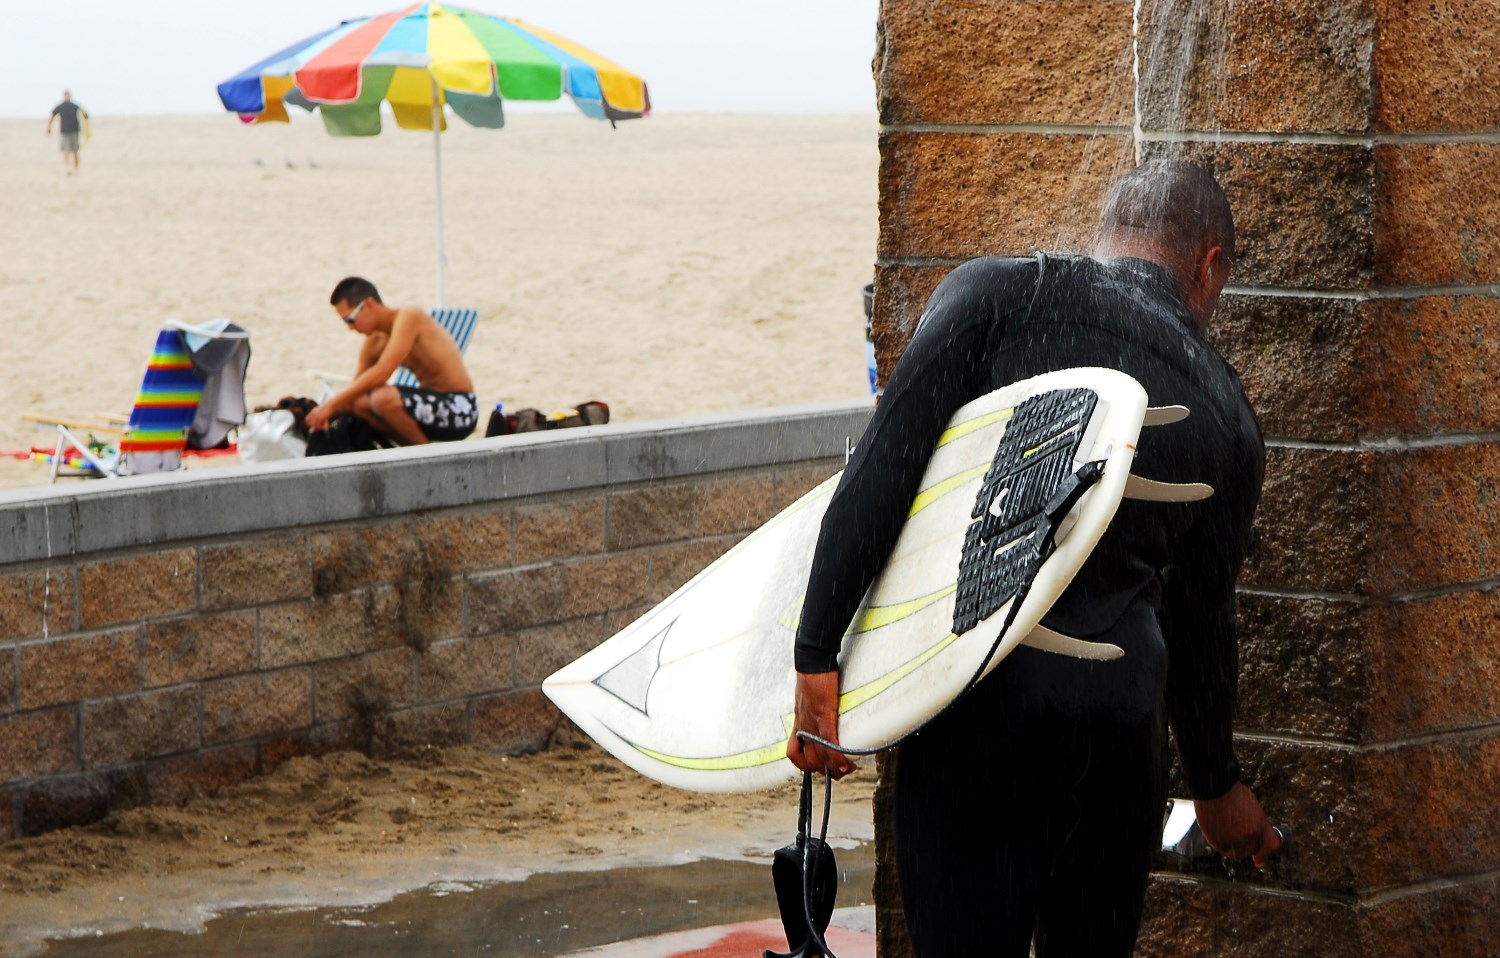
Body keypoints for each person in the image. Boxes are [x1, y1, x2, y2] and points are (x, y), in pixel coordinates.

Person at [785, 159, 1281, 956]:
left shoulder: (996, 295)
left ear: (1107, 233)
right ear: (1209, 265)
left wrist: (817, 653)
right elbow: (1201, 627)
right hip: (1119, 726)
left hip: (981, 704)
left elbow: (883, 472)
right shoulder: (1227, 414)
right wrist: (1218, 785)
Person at [305, 277, 478, 445]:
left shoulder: (410, 316)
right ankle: (408, 452)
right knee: (357, 403)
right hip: (427, 409)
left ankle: (429, 457)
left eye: (350, 319)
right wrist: (324, 414)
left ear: (369, 305)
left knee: (382, 399)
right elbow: (355, 390)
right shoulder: (374, 343)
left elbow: (382, 373)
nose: (350, 328)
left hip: (461, 409)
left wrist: (330, 405)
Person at [46, 91, 89, 175]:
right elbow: (52, 115)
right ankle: (68, 168)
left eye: (68, 96)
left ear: (70, 97)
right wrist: (49, 127)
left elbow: (85, 115)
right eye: (66, 96)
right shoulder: (61, 106)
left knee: (75, 151)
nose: (67, 97)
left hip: (75, 132)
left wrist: (87, 129)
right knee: (66, 151)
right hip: (64, 132)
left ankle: (76, 170)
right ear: (64, 97)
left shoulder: (75, 106)